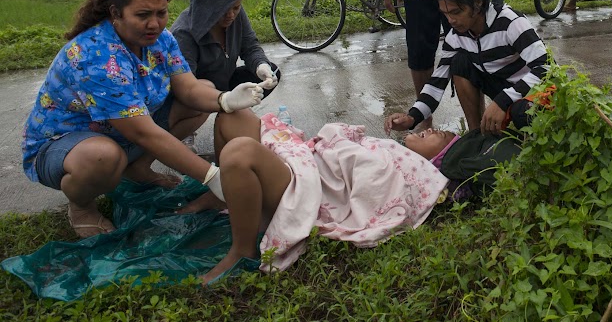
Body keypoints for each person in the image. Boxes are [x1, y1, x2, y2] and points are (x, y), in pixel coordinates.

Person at [20, 0, 264, 239]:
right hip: (66, 144)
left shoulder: (161, 40)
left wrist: (225, 99)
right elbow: (142, 132)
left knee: (204, 93)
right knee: (103, 157)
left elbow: (189, 88)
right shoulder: (96, 55)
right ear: (116, 13)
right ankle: (81, 207)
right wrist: (212, 176)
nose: (155, 23)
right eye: (143, 15)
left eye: (161, 13)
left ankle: (136, 168)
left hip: (121, 132)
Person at [183, 106, 524, 284]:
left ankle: (242, 248)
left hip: (305, 184)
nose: (431, 129)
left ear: (438, 158)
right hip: (305, 159)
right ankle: (227, 192)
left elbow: (370, 183)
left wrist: (334, 149)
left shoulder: (415, 170)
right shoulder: (388, 145)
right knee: (230, 115)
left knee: (240, 151)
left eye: (440, 135)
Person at [384, 0, 548, 135]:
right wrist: (412, 117)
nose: (451, 20)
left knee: (524, 114)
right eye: (445, 14)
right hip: (499, 87)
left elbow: (546, 68)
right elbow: (436, 83)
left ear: (477, 4)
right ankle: (477, 137)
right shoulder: (456, 36)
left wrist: (502, 102)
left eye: (456, 12)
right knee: (459, 63)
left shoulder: (510, 22)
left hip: (531, 92)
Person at [171, 0, 279, 98]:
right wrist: (223, 101)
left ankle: (234, 112)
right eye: (224, 10)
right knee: (205, 88)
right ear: (208, 5)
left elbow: (250, 47)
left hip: (226, 82)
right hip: (200, 92)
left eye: (236, 7)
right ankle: (228, 113)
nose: (231, 15)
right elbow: (185, 86)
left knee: (271, 71)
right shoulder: (184, 32)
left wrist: (261, 66)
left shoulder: (237, 15)